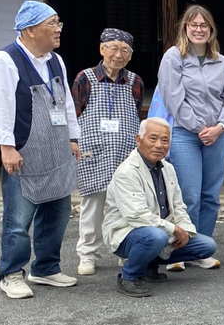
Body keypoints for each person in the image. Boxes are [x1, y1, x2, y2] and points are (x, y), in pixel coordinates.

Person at [0, 0, 80, 299]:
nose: (58, 30)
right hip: (24, 149)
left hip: (56, 147)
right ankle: (11, 273)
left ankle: (46, 268)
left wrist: (73, 138)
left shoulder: (56, 60)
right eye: (52, 24)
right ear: (29, 30)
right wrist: (6, 146)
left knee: (58, 210)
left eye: (58, 23)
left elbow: (65, 102)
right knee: (18, 218)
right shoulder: (6, 60)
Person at [158, 5, 224, 271]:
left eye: (204, 25)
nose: (199, 29)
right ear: (185, 28)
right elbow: (173, 98)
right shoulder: (173, 57)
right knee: (188, 194)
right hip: (185, 134)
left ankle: (202, 248)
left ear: (211, 29)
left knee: (211, 195)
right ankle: (180, 248)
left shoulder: (222, 61)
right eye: (193, 25)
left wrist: (220, 127)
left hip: (218, 135)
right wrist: (201, 127)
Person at [104, 118, 218, 297]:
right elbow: (136, 216)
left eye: (165, 140)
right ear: (138, 139)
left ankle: (149, 265)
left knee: (206, 246)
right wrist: (173, 229)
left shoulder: (168, 168)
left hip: (159, 231)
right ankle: (129, 276)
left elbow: (179, 206)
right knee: (155, 236)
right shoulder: (127, 172)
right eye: (153, 138)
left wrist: (185, 231)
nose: (159, 145)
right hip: (128, 233)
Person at [71, 28, 144, 276]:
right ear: (102, 49)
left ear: (130, 55)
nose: (118, 54)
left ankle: (125, 251)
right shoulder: (85, 78)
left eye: (125, 50)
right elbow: (75, 113)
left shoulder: (135, 81)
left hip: (125, 153)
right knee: (92, 205)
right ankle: (88, 254)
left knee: (126, 206)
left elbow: (136, 111)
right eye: (113, 48)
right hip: (94, 152)